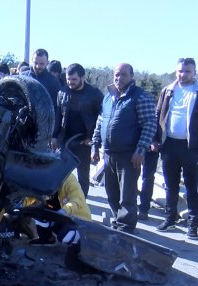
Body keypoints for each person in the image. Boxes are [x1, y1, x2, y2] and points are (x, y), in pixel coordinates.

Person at [91, 63, 157, 233]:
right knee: (112, 193)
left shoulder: (140, 97)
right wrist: (95, 145)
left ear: (132, 76)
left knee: (127, 196)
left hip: (129, 155)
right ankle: (118, 223)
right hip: (108, 154)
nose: (119, 78)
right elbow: (100, 122)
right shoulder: (108, 97)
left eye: (124, 75)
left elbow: (149, 125)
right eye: (117, 74)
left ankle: (126, 229)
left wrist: (140, 150)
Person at [154, 57, 198, 239]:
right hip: (170, 145)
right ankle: (169, 219)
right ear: (176, 71)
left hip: (193, 147)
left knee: (192, 188)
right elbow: (158, 115)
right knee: (170, 185)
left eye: (187, 71)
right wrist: (156, 139)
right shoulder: (168, 91)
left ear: (194, 72)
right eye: (180, 71)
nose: (183, 74)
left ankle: (192, 225)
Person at [54, 63, 104, 197]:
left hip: (84, 142)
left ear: (82, 77)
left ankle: (81, 204)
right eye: (68, 80)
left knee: (83, 176)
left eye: (74, 80)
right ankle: (61, 203)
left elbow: (102, 118)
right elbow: (58, 115)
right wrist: (54, 136)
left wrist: (94, 140)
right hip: (65, 140)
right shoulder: (62, 92)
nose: (70, 83)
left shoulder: (95, 94)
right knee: (61, 174)